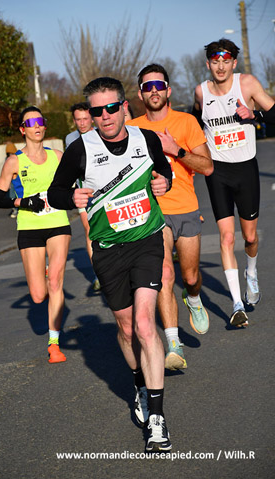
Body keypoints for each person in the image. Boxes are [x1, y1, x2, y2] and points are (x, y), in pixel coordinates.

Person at [48, 77, 173, 452]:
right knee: (125, 326)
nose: (104, 117)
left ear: (124, 107)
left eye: (111, 108)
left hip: (147, 240)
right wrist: (71, 195)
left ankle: (157, 417)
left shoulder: (144, 139)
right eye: (96, 110)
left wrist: (163, 182)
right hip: (107, 248)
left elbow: (163, 170)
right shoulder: (80, 150)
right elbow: (56, 192)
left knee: (145, 322)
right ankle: (138, 381)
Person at [127, 64, 213, 371]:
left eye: (158, 86)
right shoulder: (133, 128)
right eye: (147, 87)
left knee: (189, 276)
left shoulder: (186, 121)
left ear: (168, 90)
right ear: (140, 93)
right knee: (164, 274)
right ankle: (174, 344)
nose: (153, 91)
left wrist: (174, 148)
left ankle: (193, 297)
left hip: (186, 208)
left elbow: (207, 166)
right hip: (153, 213)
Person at [193, 38, 275, 327]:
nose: (220, 66)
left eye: (225, 61)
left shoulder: (248, 83)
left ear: (233, 63)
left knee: (249, 237)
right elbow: (194, 128)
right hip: (218, 174)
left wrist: (254, 115)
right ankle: (237, 304)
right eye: (215, 61)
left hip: (246, 170)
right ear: (208, 64)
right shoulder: (201, 92)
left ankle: (250, 272)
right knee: (227, 238)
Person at [0, 106, 71, 363]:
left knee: (56, 281)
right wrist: (22, 203)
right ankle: (47, 278)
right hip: (29, 227)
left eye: (41, 121)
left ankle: (54, 343)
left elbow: (72, 186)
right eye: (31, 122)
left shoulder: (58, 156)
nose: (37, 126)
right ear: (22, 129)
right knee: (38, 295)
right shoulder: (14, 161)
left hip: (57, 222)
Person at [65, 102, 100, 290]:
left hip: (104, 190)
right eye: (78, 119)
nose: (82, 123)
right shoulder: (70, 139)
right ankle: (99, 274)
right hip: (83, 192)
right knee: (90, 231)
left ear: (92, 118)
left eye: (85, 119)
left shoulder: (101, 134)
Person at [5, 141, 18, 219]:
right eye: (9, 154)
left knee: (19, 195)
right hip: (11, 181)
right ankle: (15, 209)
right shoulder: (6, 160)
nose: (10, 155)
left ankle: (18, 210)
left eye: (12, 153)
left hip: (18, 180)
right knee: (12, 196)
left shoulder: (18, 158)